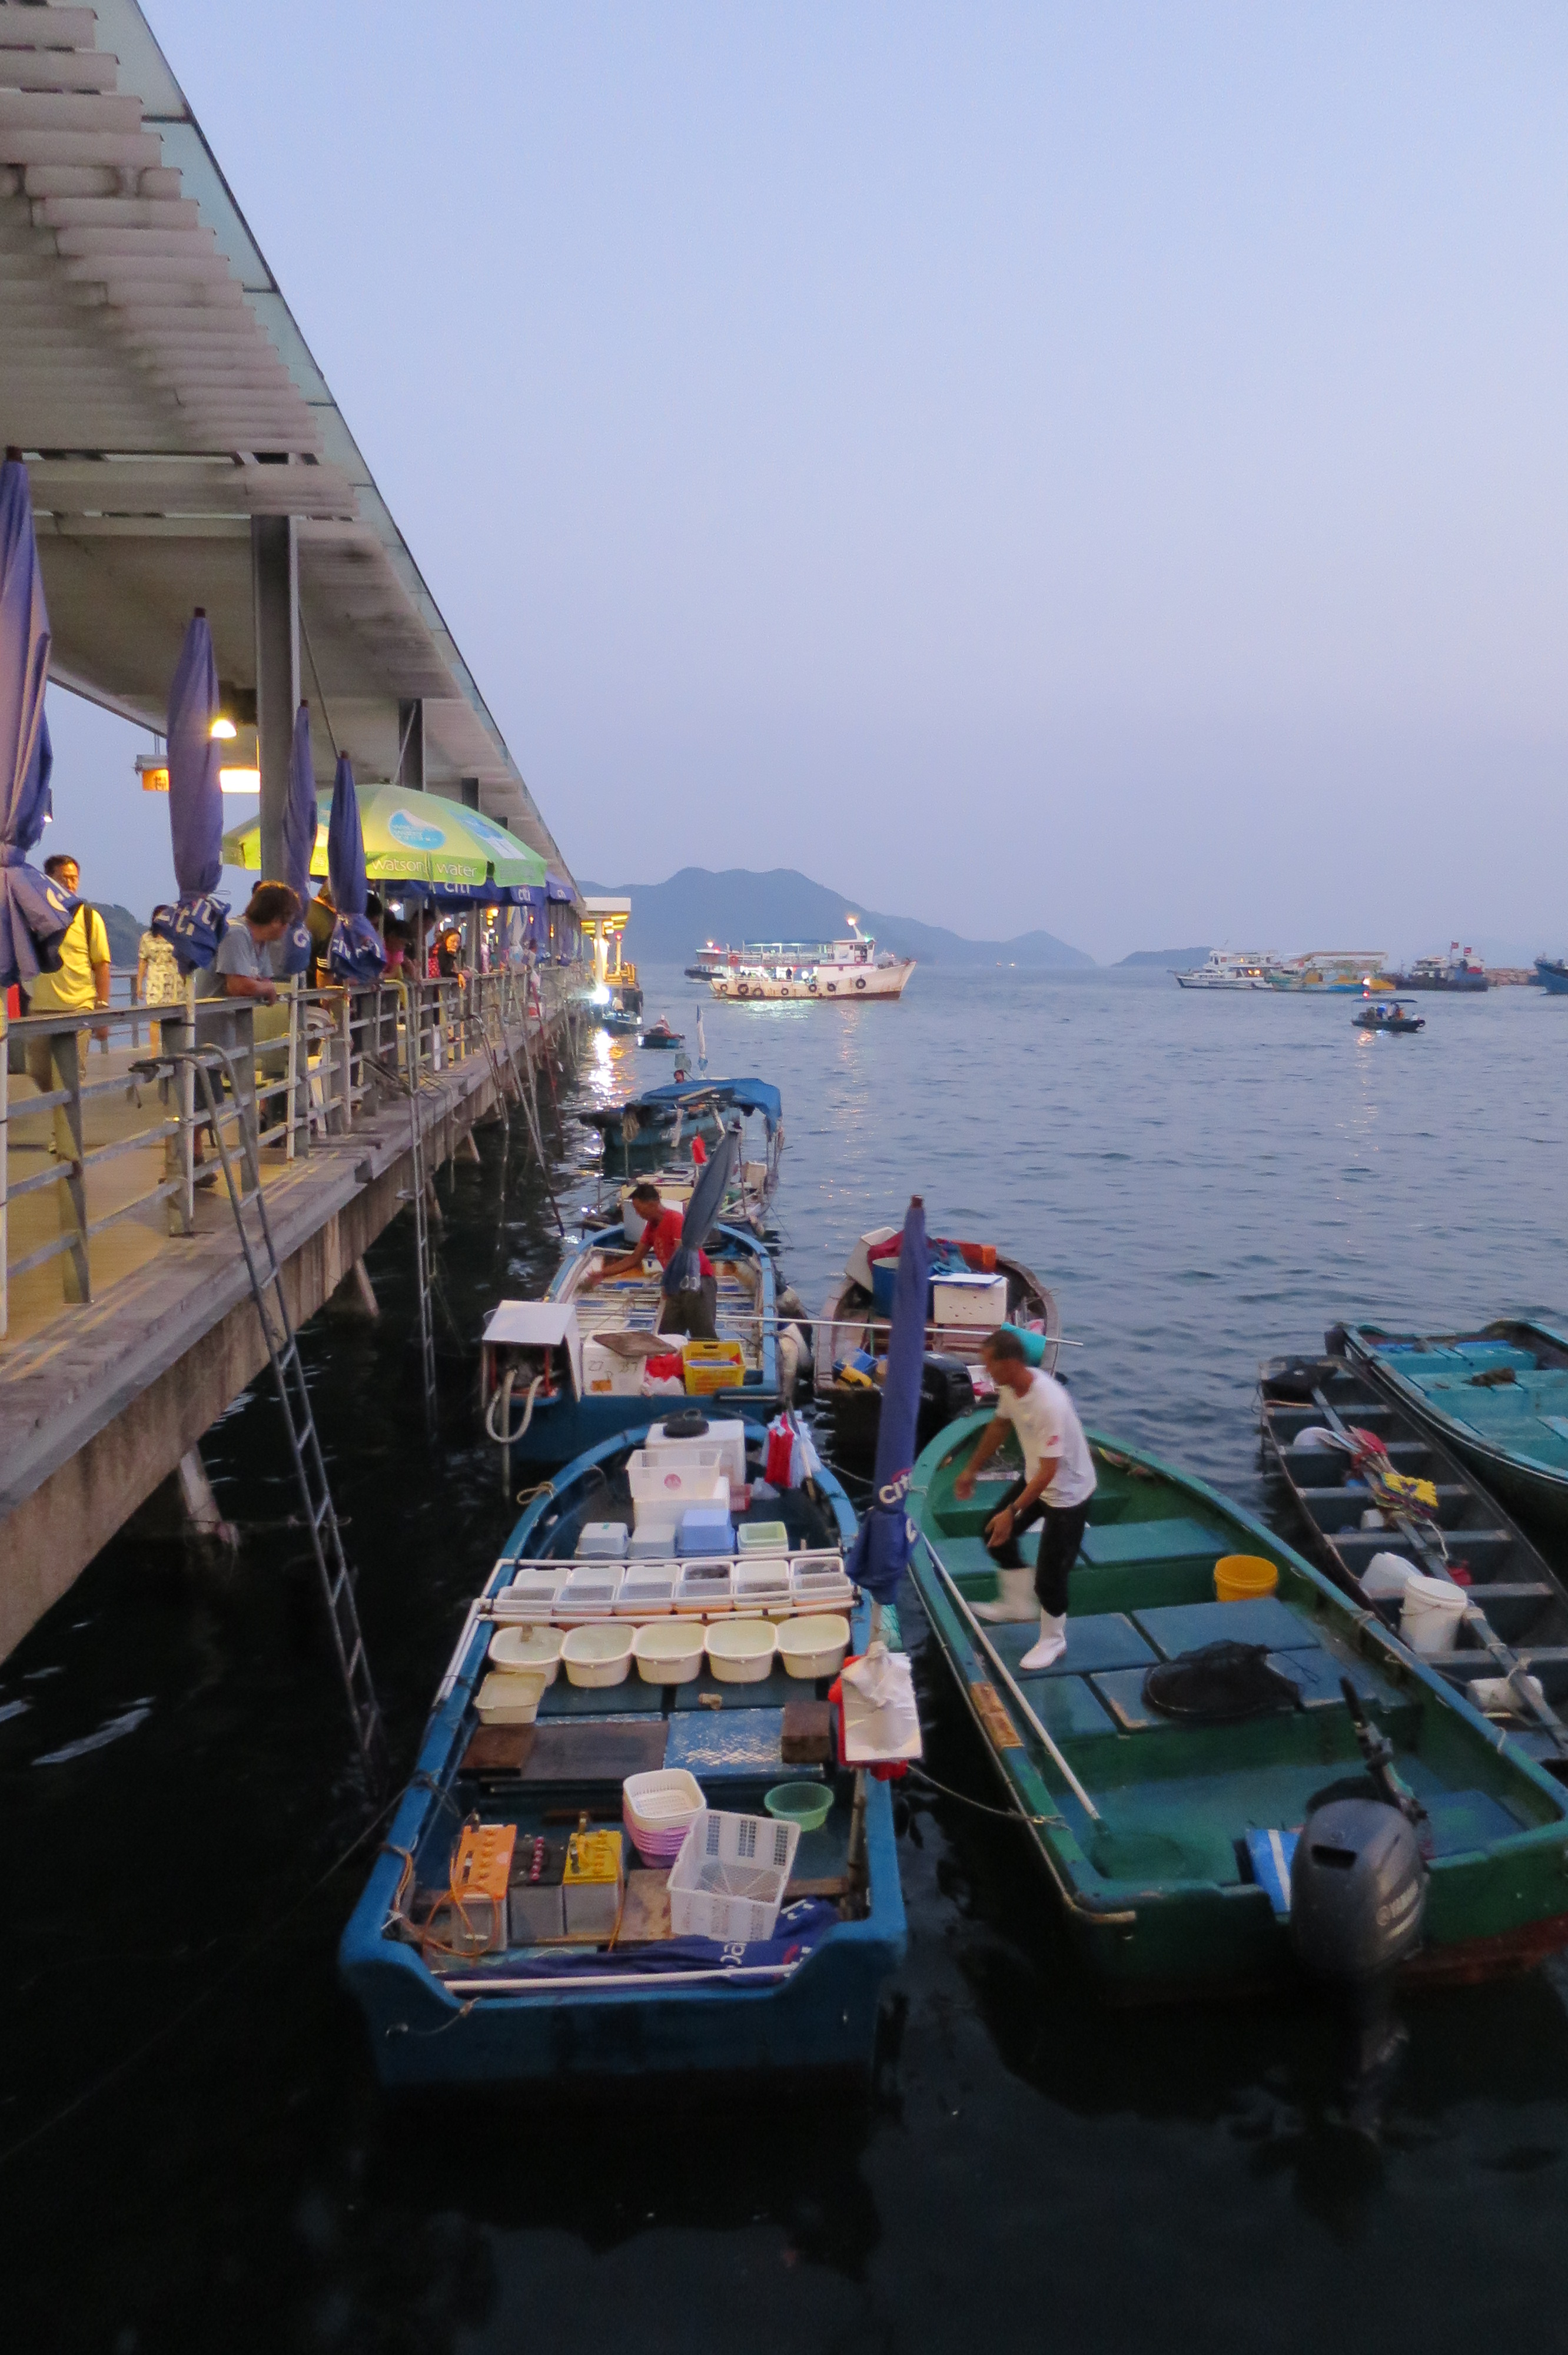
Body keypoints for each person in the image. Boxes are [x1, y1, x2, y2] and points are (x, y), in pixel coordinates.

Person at [952, 1327, 1097, 1670]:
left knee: (1050, 1577)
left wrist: (1012, 1512)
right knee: (993, 1536)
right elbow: (1000, 1426)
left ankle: (1053, 1640)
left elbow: (1051, 1470)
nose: (987, 1374)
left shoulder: (1049, 1402)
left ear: (1012, 1363)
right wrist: (971, 1469)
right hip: (1037, 1479)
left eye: (991, 1367)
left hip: (1068, 1494)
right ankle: (1017, 1605)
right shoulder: (1010, 1388)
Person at [581, 1180, 718, 1339]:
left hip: (697, 1280)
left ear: (653, 1203)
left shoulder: (676, 1219)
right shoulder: (651, 1227)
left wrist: (668, 1283)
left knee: (704, 1335)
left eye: (639, 1209)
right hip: (676, 1285)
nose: (638, 1214)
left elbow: (682, 1256)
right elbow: (634, 1258)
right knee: (666, 1335)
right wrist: (603, 1273)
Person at [25, 853, 112, 1100]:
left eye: (74, 879)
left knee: (70, 1077)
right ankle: (61, 1118)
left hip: (78, 1007)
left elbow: (102, 965)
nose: (70, 884)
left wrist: (102, 1009)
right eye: (64, 878)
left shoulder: (88, 917)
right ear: (48, 880)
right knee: (40, 1073)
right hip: (41, 1007)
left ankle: (65, 1137)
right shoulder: (35, 916)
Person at [195, 881, 298, 1009]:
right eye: (288, 923)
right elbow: (237, 986)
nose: (288, 929)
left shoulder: (261, 942)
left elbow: (264, 979)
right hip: (201, 1024)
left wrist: (264, 986)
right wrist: (268, 988)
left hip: (227, 1023)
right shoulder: (235, 933)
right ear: (276, 921)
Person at [136, 911, 182, 1010]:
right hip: (155, 982)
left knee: (175, 1015)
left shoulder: (177, 936)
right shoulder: (146, 938)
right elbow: (143, 961)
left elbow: (183, 958)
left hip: (174, 980)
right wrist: (139, 986)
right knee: (155, 1015)